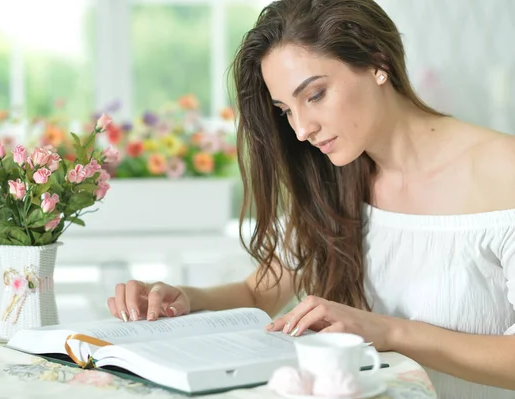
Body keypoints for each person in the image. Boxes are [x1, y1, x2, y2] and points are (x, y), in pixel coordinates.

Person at [107, 0, 515, 398]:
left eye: (315, 95)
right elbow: (259, 293)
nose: (301, 130)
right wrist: (184, 298)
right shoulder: (334, 179)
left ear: (379, 64)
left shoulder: (504, 172)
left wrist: (388, 331)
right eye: (285, 110)